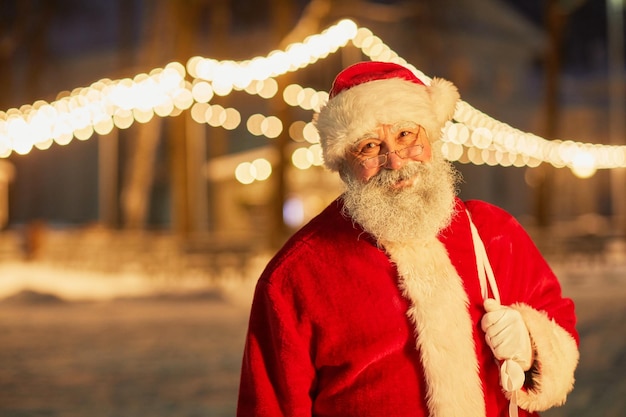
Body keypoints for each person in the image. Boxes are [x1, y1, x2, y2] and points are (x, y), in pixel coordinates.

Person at [236, 61, 579, 417]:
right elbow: (269, 406)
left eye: (406, 135)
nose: (395, 162)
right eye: (369, 146)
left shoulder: (495, 232)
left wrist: (532, 345)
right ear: (343, 164)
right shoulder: (296, 274)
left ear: (430, 137)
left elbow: (558, 321)